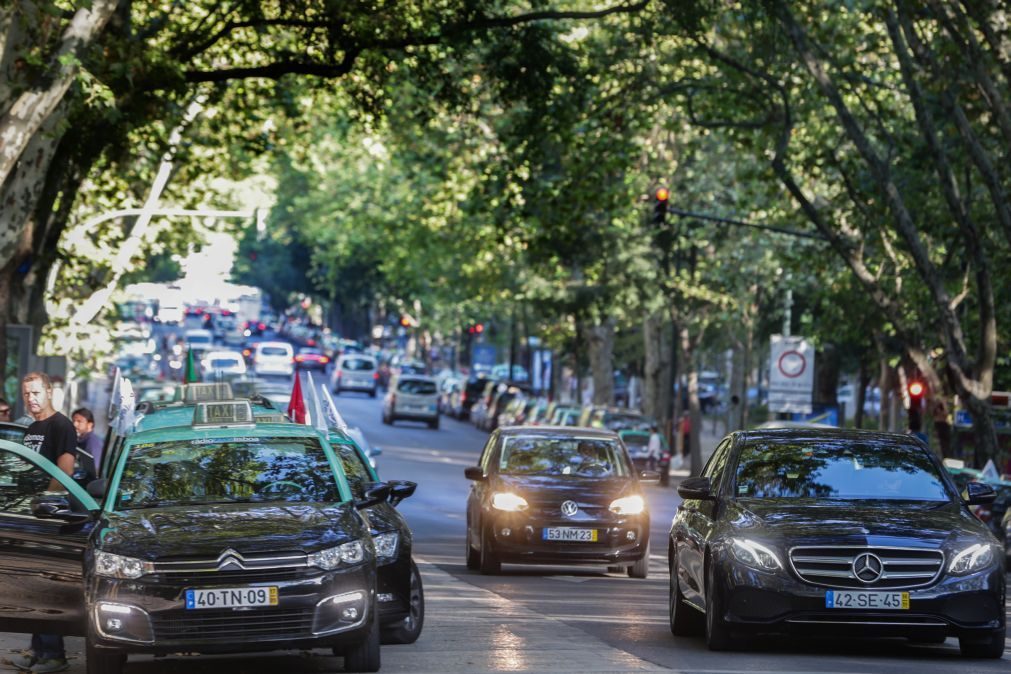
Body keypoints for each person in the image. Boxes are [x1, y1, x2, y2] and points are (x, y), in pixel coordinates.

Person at [9, 372, 77, 673]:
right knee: (33, 588)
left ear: (49, 392)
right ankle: (38, 650)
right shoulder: (32, 428)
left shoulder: (61, 425)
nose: (31, 399)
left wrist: (44, 501)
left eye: (36, 392)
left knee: (47, 586)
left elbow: (64, 471)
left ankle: (55, 656)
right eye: (26, 394)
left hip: (48, 517)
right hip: (28, 515)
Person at [72, 407, 103, 481]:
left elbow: (95, 470)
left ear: (90, 424)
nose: (75, 424)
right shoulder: (79, 440)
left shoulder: (93, 442)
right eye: (73, 421)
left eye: (79, 421)